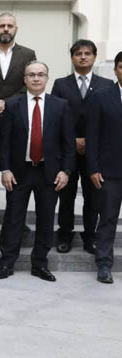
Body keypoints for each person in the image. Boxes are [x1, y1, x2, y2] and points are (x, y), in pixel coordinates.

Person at [0, 61, 74, 282]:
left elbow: (68, 143)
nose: (36, 78)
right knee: (13, 218)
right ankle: (6, 263)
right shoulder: (13, 105)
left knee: (46, 219)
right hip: (19, 171)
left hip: (49, 172)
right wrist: (5, 169)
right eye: (31, 75)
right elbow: (4, 142)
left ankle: (40, 264)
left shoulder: (60, 105)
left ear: (47, 78)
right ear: (25, 79)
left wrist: (66, 171)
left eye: (40, 74)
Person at [52, 39, 114, 254]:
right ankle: (64, 234)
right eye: (78, 54)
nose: (83, 57)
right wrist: (74, 140)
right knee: (66, 195)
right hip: (68, 149)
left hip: (95, 151)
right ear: (72, 58)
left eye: (88, 53)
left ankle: (90, 236)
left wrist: (89, 140)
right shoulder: (61, 84)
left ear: (95, 57)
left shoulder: (106, 84)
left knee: (94, 196)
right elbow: (56, 117)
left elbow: (108, 118)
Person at [86, 51, 122, 284]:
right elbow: (92, 136)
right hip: (110, 171)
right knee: (107, 219)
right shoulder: (101, 97)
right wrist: (93, 168)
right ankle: (104, 264)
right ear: (116, 70)